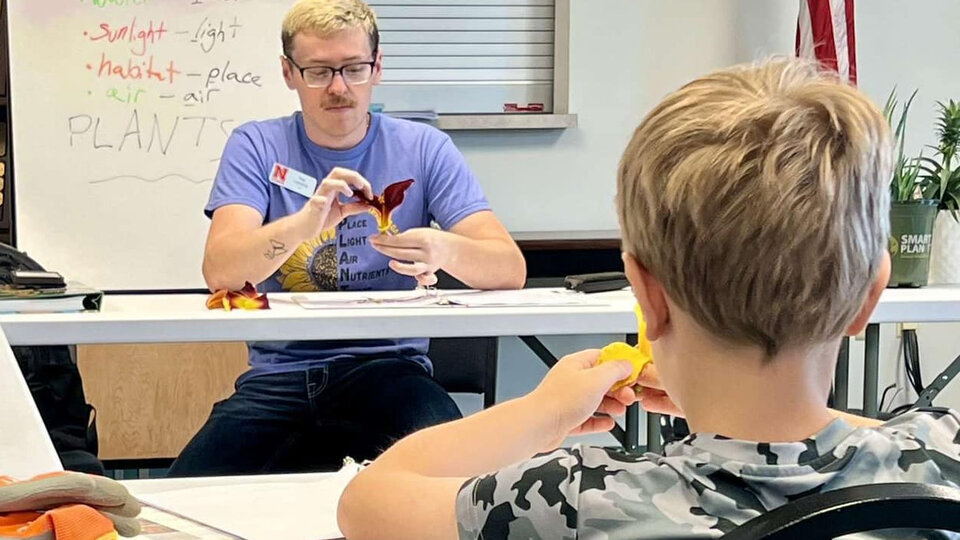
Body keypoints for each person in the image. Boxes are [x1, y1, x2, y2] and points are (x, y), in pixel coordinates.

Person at [337, 58, 960, 539]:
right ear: (869, 296)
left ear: (645, 294)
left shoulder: (577, 500)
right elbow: (871, 442)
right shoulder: (939, 456)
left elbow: (368, 502)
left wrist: (544, 413)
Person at [168, 0, 526, 477]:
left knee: (455, 486)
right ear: (288, 73)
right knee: (179, 503)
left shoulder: (423, 147)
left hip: (391, 371)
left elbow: (509, 269)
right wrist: (309, 220)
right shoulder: (256, 145)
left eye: (354, 69)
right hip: (279, 376)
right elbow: (222, 274)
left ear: (377, 68)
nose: (338, 88)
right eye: (318, 72)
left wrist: (443, 248)